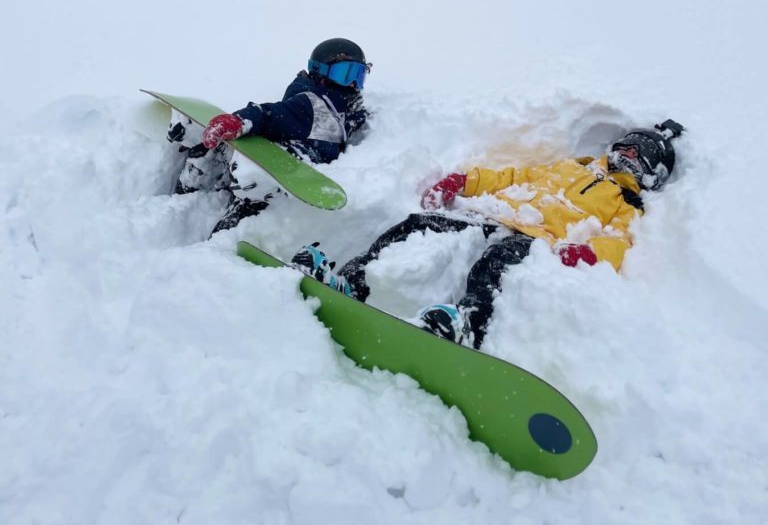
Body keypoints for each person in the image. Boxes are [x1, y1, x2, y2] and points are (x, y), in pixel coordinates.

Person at [290, 120, 684, 349]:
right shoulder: (573, 167)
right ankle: (351, 281)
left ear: (651, 173)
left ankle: (467, 324)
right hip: (495, 214)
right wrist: (465, 182)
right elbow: (515, 176)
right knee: (416, 227)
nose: (627, 155)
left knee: (495, 263)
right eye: (627, 146)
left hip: (540, 239)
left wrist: (586, 254)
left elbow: (619, 241)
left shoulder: (626, 203)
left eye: (639, 155)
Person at [168, 38, 371, 234]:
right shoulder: (311, 105)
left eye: (359, 75)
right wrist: (239, 121)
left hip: (292, 175)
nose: (353, 84)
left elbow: (350, 120)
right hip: (276, 180)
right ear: (320, 72)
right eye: (346, 74)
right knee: (249, 218)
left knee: (251, 215)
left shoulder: (341, 106)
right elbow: (269, 114)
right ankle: (206, 180)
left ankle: (217, 179)